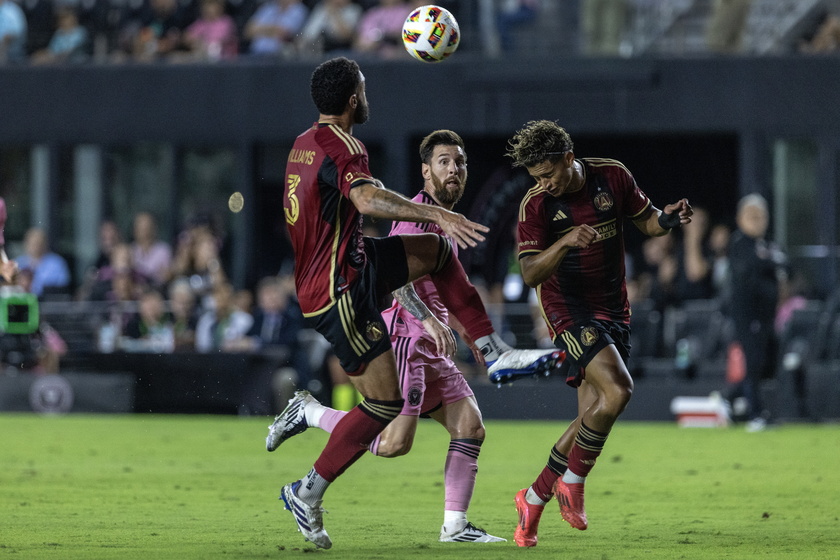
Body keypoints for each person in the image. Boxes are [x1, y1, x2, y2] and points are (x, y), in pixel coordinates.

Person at [270, 57, 563, 550]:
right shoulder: (345, 145)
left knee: (438, 250)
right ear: (350, 100)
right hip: (339, 288)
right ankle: (307, 486)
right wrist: (431, 213)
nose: (368, 97)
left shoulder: (303, 143)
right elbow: (365, 200)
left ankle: (493, 350)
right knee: (385, 415)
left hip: (350, 268)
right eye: (364, 90)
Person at [267, 129, 506, 543]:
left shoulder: (445, 219)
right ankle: (309, 413)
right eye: (444, 162)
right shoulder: (417, 213)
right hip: (409, 340)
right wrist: (430, 320)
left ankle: (455, 526)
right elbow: (394, 279)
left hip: (434, 346)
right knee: (394, 443)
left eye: (460, 162)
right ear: (426, 172)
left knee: (470, 426)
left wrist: (462, 330)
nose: (454, 169)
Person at [504, 120, 692, 547]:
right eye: (536, 178)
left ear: (569, 159)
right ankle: (573, 481)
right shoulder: (535, 205)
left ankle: (532, 498)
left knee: (594, 412)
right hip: (568, 310)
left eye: (549, 173)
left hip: (613, 308)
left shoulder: (612, 175)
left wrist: (668, 217)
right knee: (620, 391)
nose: (544, 184)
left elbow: (647, 222)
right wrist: (566, 241)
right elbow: (531, 271)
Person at [724, 193, 783, 432]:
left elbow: (785, 264)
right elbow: (752, 270)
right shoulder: (740, 244)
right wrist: (770, 263)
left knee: (764, 363)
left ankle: (728, 399)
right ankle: (755, 413)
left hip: (766, 315)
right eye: (752, 216)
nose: (758, 221)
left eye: (761, 216)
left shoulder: (767, 244)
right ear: (740, 219)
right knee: (754, 361)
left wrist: (770, 262)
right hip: (748, 314)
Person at [15, 228, 72, 298]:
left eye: (38, 243)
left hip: (48, 305)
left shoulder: (57, 263)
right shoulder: (18, 263)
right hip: (22, 304)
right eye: (32, 243)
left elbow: (63, 288)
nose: (35, 247)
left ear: (45, 244)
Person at [244, 0, 308, 58]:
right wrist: (273, 30)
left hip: (278, 57)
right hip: (254, 54)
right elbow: (248, 31)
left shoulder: (298, 10)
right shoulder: (268, 8)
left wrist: (260, 30)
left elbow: (283, 33)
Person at [130, 212, 172, 288]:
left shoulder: (163, 250)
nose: (145, 232)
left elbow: (165, 276)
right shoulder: (130, 251)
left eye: (147, 228)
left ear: (154, 229)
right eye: (141, 228)